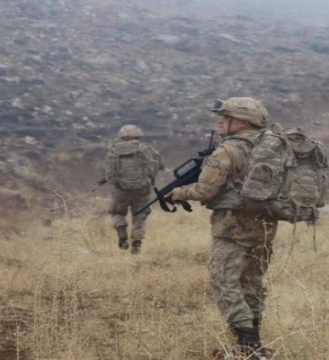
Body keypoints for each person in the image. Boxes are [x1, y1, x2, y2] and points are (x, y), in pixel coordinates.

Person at [168, 97, 276, 359]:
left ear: (240, 122)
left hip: (232, 228)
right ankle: (254, 342)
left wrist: (178, 193)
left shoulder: (227, 150)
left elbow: (205, 189)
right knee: (252, 282)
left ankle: (248, 346)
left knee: (225, 283)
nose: (219, 121)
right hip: (265, 225)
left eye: (225, 117)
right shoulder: (272, 146)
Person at [102, 124, 165, 254]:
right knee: (140, 216)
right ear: (138, 135)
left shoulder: (114, 151)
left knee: (117, 212)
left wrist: (118, 182)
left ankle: (121, 228)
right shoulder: (147, 148)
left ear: (122, 136)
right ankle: (136, 246)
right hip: (143, 190)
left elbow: (109, 175)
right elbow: (161, 166)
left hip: (121, 191)